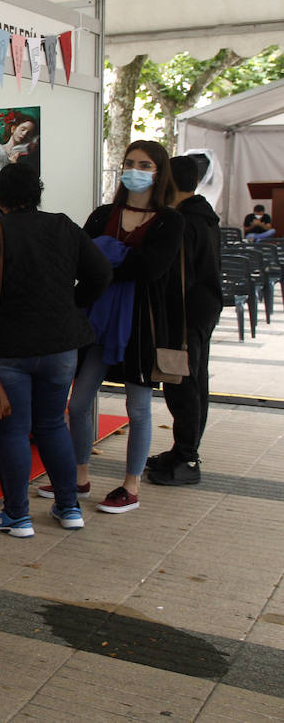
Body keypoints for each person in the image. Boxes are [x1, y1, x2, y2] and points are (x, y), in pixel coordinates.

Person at [0, 164, 111, 537]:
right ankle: (69, 508)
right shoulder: (64, 227)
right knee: (53, 424)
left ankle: (17, 516)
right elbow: (101, 273)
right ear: (38, 193)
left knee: (13, 431)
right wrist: (71, 304)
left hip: (8, 349)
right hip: (61, 347)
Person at [50, 140, 185, 514]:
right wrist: (117, 256)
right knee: (77, 404)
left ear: (159, 172)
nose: (135, 170)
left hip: (139, 326)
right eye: (129, 163)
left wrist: (105, 255)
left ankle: (131, 484)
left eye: (144, 164)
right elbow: (79, 258)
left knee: (138, 408)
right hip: (94, 321)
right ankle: (79, 477)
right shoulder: (103, 214)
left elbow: (152, 268)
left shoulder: (170, 220)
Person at [147, 156, 222, 485]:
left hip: (185, 314)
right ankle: (183, 449)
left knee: (182, 385)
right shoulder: (204, 216)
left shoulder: (183, 222)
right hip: (202, 309)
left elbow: (174, 276)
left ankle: (188, 457)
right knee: (193, 381)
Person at [0, 109, 39, 179]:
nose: (24, 134)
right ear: (13, 129)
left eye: (29, 133)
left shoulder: (25, 155)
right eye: (23, 129)